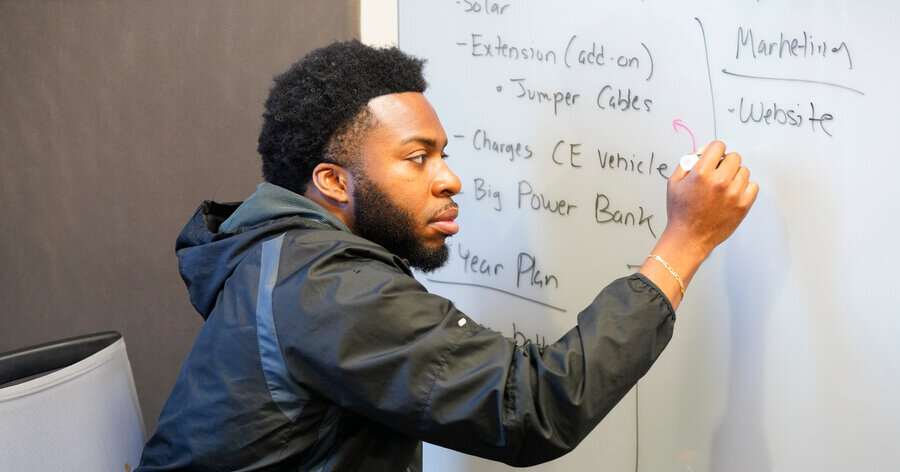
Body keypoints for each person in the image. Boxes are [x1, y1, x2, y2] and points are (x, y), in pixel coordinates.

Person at [137, 40, 758, 471]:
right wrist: (687, 240)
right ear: (332, 182)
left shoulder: (284, 258)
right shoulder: (328, 288)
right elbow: (533, 406)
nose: (449, 179)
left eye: (444, 154)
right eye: (418, 157)